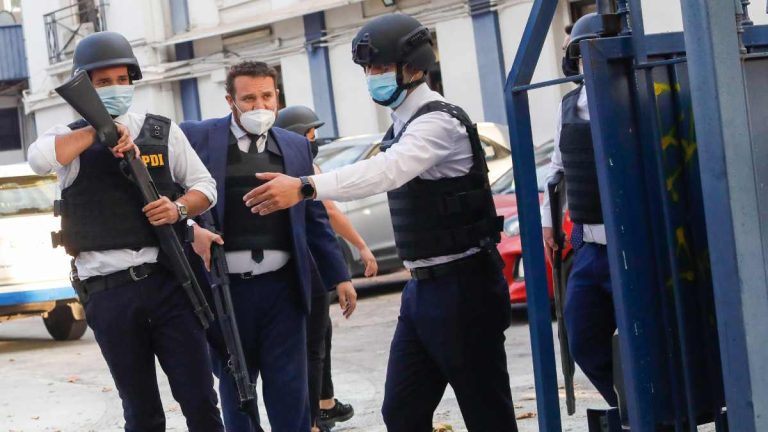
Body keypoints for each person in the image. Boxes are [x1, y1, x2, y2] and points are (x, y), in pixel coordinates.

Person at [241, 14, 518, 431]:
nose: (373, 77)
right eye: (369, 69)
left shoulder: (438, 122)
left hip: (465, 286)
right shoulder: (402, 123)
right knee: (401, 413)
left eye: (382, 68)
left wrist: (305, 186)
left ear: (415, 67)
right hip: (422, 288)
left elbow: (386, 171)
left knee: (486, 412)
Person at [27, 31, 223, 431]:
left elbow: (206, 188)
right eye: (102, 83)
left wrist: (178, 208)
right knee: (141, 411)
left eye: (121, 80)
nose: (115, 89)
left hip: (169, 282)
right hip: (109, 291)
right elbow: (38, 159)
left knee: (201, 400)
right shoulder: (66, 136)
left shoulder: (160, 131)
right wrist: (99, 132)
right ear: (85, 88)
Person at [179, 60, 355, 432]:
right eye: (249, 98)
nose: (260, 106)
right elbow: (172, 189)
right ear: (231, 101)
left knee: (291, 390)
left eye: (267, 96)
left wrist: (339, 276)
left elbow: (314, 218)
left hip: (283, 289)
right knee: (237, 387)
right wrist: (191, 228)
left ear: (277, 96)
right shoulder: (198, 138)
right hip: (226, 290)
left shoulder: (295, 147)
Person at [276, 105, 379, 430]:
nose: (314, 140)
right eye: (310, 135)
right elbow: (331, 212)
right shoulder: (301, 167)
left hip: (299, 263)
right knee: (313, 344)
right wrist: (361, 247)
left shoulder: (284, 163)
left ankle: (325, 403)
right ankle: (313, 419)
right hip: (310, 265)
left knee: (319, 337)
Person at [541, 13, 618, 407]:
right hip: (589, 248)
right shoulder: (569, 106)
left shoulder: (636, 90)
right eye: (582, 55)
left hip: (633, 246)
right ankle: (628, 409)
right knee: (583, 337)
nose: (589, 62)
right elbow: (556, 171)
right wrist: (547, 223)